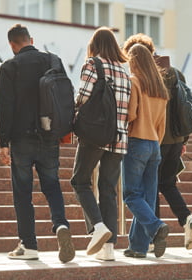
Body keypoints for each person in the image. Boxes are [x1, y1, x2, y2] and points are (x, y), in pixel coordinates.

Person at [0, 24, 75, 263]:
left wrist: (3, 142)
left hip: (21, 138)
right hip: (50, 135)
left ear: (12, 45)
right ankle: (60, 224)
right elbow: (64, 97)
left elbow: (5, 107)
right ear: (31, 39)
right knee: (52, 185)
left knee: (22, 192)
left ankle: (29, 245)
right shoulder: (53, 61)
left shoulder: (9, 67)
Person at [123, 34, 192, 251]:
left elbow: (132, 114)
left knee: (140, 191)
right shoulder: (168, 79)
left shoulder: (140, 79)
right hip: (165, 141)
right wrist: (179, 140)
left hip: (145, 140)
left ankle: (154, 230)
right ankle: (142, 245)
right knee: (157, 189)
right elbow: (174, 115)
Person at [70, 27, 131, 261]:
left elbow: (83, 96)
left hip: (95, 135)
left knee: (80, 181)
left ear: (94, 46)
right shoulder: (124, 73)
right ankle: (108, 249)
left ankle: (98, 226)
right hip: (119, 138)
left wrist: (73, 111)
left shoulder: (93, 65)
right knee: (108, 190)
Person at [122, 43, 170, 259]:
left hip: (137, 141)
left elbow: (131, 115)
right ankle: (138, 247)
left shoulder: (134, 82)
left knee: (131, 194)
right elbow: (162, 124)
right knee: (148, 197)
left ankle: (156, 226)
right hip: (154, 145)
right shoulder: (160, 88)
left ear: (135, 61)